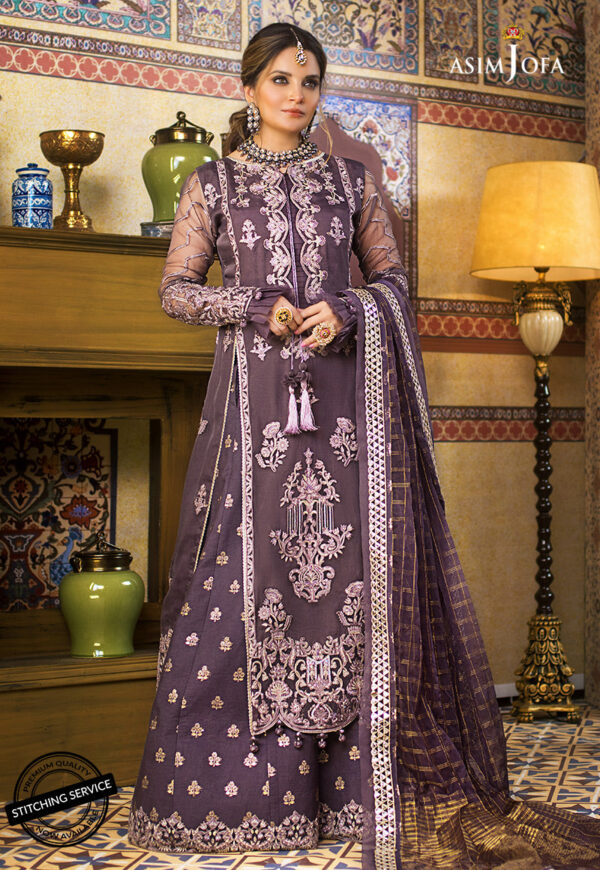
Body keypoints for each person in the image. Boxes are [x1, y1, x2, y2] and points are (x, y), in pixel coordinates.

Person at [128, 22, 600, 869]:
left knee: (348, 583)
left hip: (348, 417)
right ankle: (249, 798)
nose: (296, 95)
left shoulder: (352, 181)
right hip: (252, 415)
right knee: (243, 576)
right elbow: (175, 292)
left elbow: (393, 283)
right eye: (280, 79)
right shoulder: (212, 183)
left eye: (309, 80)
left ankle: (356, 791)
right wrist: (255, 305)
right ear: (248, 88)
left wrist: (347, 310)